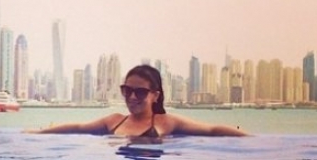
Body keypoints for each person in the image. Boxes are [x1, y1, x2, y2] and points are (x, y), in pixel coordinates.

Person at [30, 64, 248, 137]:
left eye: (141, 92)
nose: (132, 97)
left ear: (155, 95)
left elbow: (211, 130)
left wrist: (248, 137)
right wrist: (38, 133)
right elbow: (77, 128)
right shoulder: (114, 121)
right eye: (127, 90)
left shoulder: (165, 122)